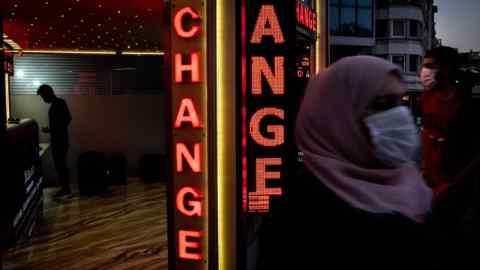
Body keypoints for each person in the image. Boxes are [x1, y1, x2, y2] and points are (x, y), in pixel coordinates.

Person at [260, 56, 432, 269]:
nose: (399, 115)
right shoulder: (301, 216)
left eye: (401, 101)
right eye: (383, 104)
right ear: (338, 118)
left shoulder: (408, 180)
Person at [419, 46, 480, 195]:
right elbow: (426, 137)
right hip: (429, 186)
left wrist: (454, 185)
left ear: (446, 69)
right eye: (424, 66)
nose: (424, 71)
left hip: (455, 189)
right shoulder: (424, 99)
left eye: (430, 66)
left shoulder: (467, 103)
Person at [37, 84, 72, 198]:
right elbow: (67, 119)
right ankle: (65, 188)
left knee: (60, 165)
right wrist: (52, 129)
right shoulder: (59, 103)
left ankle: (66, 189)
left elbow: (66, 119)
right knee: (60, 165)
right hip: (61, 140)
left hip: (59, 141)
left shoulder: (58, 104)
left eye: (43, 96)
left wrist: (51, 129)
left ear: (48, 93)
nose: (43, 99)